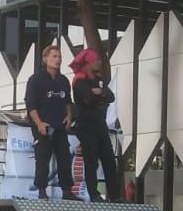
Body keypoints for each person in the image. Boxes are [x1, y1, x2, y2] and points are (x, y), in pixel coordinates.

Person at [25, 44, 79, 200]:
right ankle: (42, 191)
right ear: (45, 59)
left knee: (64, 158)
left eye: (59, 57)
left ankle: (67, 191)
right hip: (43, 126)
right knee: (42, 158)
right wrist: (39, 124)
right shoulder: (35, 80)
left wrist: (69, 116)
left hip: (60, 126)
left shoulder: (63, 80)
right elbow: (31, 105)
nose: (57, 60)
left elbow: (68, 101)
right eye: (54, 56)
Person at [70, 47, 121, 202]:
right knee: (91, 160)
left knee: (109, 160)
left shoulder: (97, 79)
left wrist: (99, 93)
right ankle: (93, 193)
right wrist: (98, 95)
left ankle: (115, 195)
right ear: (88, 63)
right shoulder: (79, 81)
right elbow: (88, 98)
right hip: (86, 125)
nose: (98, 63)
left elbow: (110, 96)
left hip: (100, 125)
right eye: (95, 60)